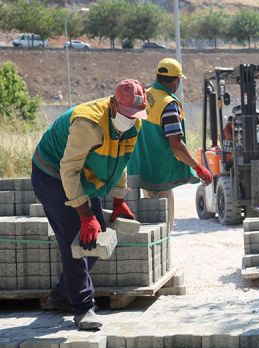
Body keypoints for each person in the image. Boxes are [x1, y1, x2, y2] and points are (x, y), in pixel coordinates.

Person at [31, 79, 147, 330]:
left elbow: (122, 159)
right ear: (113, 103)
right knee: (76, 238)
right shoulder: (88, 123)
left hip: (81, 175)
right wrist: (85, 216)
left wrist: (118, 199)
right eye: (127, 113)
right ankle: (83, 308)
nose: (131, 119)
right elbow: (68, 170)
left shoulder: (134, 123)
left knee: (95, 240)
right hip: (51, 174)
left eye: (135, 114)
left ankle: (62, 295)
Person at [129, 58, 212, 230]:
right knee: (164, 229)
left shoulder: (144, 96)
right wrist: (199, 168)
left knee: (151, 228)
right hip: (160, 177)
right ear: (176, 80)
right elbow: (176, 145)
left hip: (142, 173)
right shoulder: (168, 105)